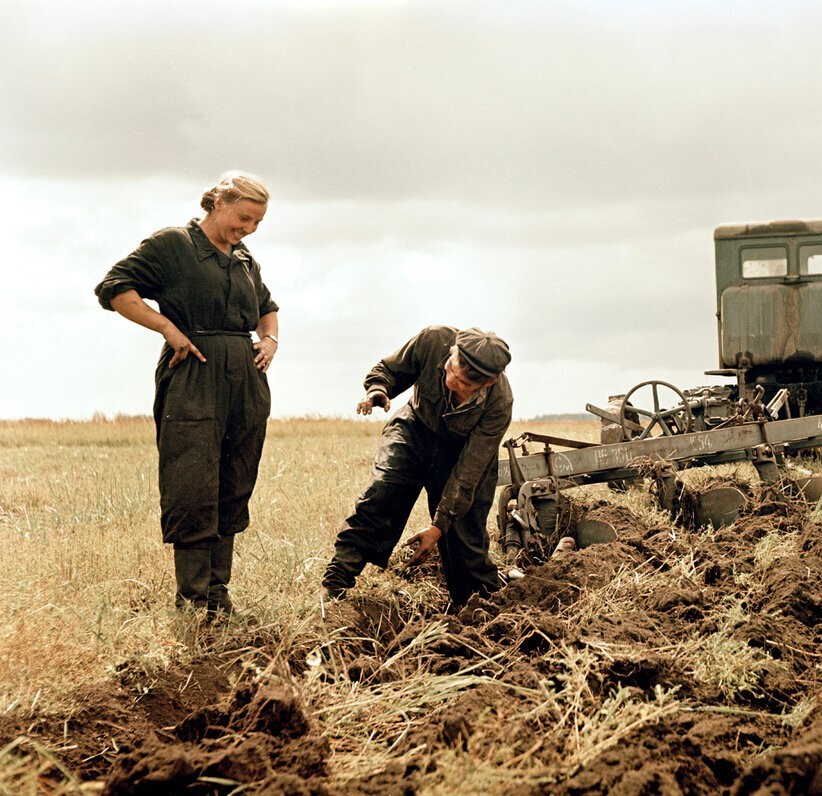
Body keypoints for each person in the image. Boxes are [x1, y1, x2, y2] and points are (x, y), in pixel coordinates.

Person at [94, 171, 278, 615]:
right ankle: (193, 603)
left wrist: (270, 341)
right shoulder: (173, 245)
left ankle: (219, 596)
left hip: (246, 382)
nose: (248, 229)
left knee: (234, 483)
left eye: (257, 223)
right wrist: (167, 328)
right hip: (194, 372)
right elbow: (115, 289)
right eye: (244, 217)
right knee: (193, 483)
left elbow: (268, 309)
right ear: (218, 203)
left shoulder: (244, 258)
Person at [322, 326, 513, 608]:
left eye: (460, 383)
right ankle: (336, 582)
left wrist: (438, 527)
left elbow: (468, 472)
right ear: (452, 352)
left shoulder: (499, 402)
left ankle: (476, 607)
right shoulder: (433, 340)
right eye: (449, 369)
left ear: (485, 384)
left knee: (464, 532)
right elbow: (389, 369)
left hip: (461, 451)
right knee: (382, 494)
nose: (450, 381)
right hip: (415, 427)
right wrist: (378, 389)